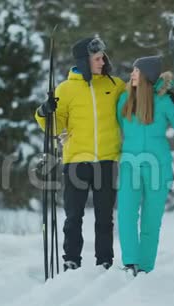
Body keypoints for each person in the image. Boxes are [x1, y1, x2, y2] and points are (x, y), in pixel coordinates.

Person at [35, 36, 126, 271]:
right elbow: (54, 127)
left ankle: (104, 260)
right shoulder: (65, 89)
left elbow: (136, 103)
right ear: (85, 61)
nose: (102, 62)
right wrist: (45, 112)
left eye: (103, 57)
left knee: (105, 218)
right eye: (97, 58)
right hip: (76, 161)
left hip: (107, 160)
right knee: (73, 217)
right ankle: (71, 259)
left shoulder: (115, 85)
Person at [116, 55, 174, 276]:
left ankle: (145, 267)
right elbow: (111, 128)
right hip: (130, 165)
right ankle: (131, 262)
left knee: (151, 220)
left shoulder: (165, 100)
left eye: (136, 71)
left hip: (157, 167)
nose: (132, 74)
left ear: (147, 76)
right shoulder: (124, 100)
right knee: (126, 214)